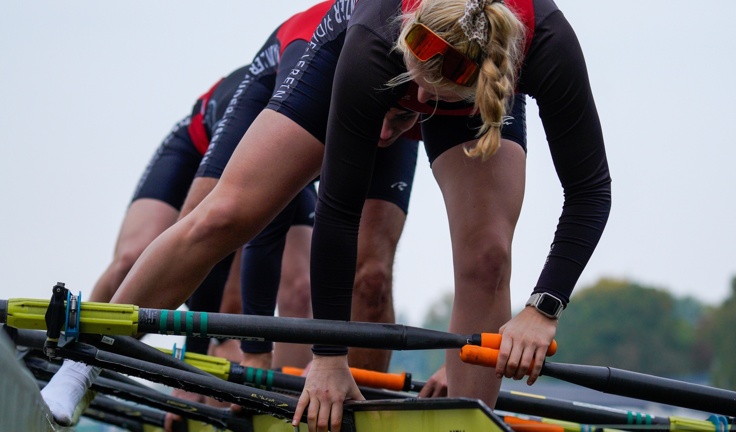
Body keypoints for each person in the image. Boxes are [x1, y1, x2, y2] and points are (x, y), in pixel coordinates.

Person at [114, 0, 608, 430]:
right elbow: (338, 208)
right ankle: (91, 356)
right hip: (374, 47)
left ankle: (465, 419)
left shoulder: (548, 43)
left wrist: (543, 309)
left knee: (488, 258)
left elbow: (590, 192)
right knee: (226, 214)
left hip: (472, 74)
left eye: (427, 98)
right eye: (412, 86)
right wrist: (329, 357)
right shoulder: (379, 34)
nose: (413, 105)